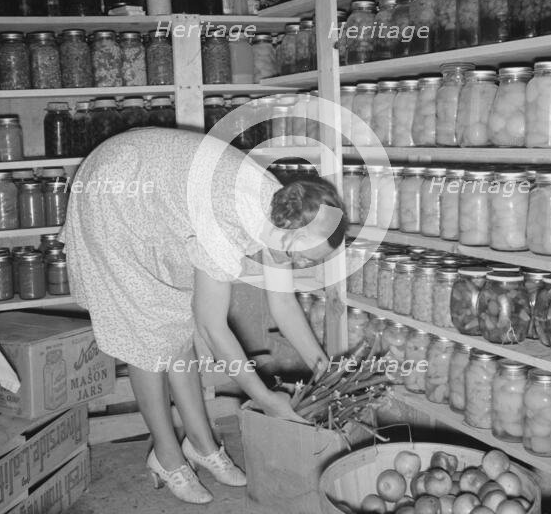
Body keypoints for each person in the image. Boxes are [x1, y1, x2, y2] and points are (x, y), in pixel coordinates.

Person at [60, 127, 346, 505]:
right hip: (115, 191)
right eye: (305, 256)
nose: (304, 264)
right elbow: (213, 328)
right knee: (146, 335)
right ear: (291, 228)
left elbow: (284, 304)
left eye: (311, 260)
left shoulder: (284, 215)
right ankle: (166, 455)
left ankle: (201, 444)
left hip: (157, 194)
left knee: (176, 321)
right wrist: (264, 396)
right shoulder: (230, 221)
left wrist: (322, 365)